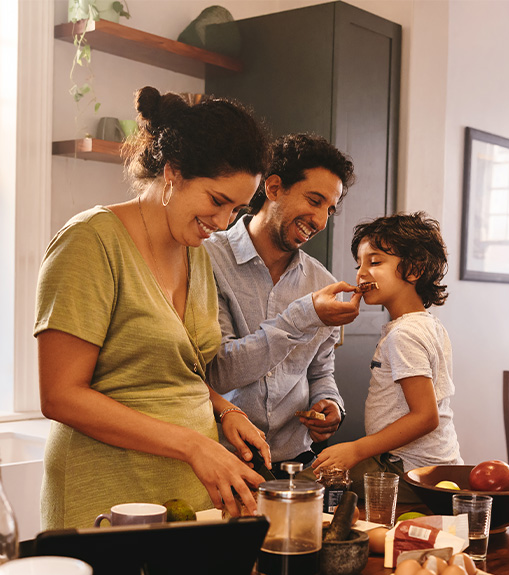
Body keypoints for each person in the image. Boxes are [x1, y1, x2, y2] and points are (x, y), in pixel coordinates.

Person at [34, 86, 272, 529]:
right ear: (173, 172)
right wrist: (194, 446)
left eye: (237, 209)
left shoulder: (196, 252)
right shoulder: (90, 241)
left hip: (186, 499)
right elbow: (60, 395)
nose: (223, 223)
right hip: (105, 499)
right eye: (217, 201)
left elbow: (169, 370)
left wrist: (224, 410)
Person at [205, 133, 362, 477]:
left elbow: (320, 371)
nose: (321, 221)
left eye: (329, 209)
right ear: (274, 188)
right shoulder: (207, 259)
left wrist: (331, 405)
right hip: (222, 463)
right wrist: (305, 315)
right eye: (314, 200)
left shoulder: (321, 282)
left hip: (296, 464)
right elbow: (219, 371)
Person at [312, 211, 463, 501]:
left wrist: (356, 449)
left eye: (375, 261)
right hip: (428, 467)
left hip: (406, 471)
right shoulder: (426, 323)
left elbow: (425, 417)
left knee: (311, 487)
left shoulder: (404, 334)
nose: (361, 273)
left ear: (414, 270)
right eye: (359, 264)